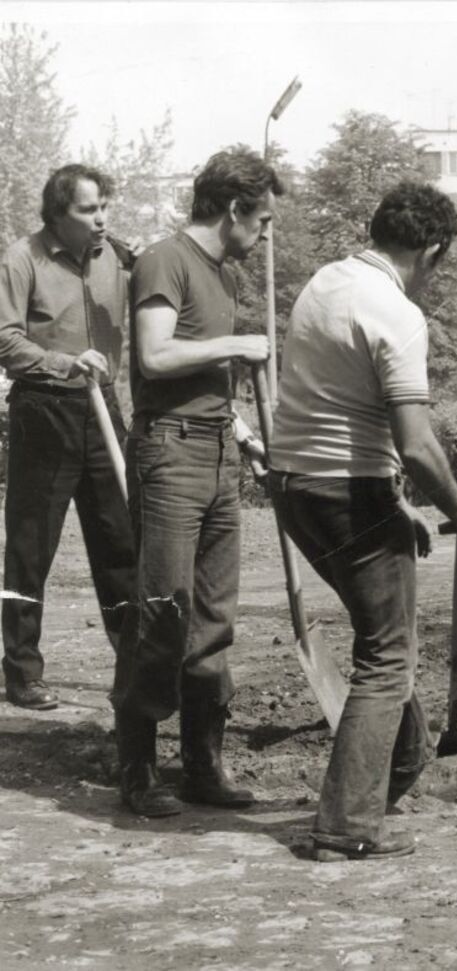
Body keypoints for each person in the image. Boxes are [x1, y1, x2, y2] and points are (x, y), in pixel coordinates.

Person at [267, 180, 457, 862]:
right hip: (347, 493)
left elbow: (333, 408)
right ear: (431, 251)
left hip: (295, 490)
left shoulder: (323, 283)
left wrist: (398, 506)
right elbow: (417, 443)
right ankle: (344, 827)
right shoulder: (397, 314)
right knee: (387, 656)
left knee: (384, 635)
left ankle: (394, 772)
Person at [112, 148, 283, 818]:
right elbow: (155, 357)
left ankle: (203, 768)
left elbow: (205, 383)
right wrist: (236, 346)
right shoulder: (165, 259)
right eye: (261, 220)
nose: (264, 234)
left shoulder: (224, 276)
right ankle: (137, 771)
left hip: (217, 453)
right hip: (168, 455)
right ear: (233, 208)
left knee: (213, 618)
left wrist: (244, 435)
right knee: (162, 609)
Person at [0, 164, 136, 711]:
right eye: (87, 209)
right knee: (31, 549)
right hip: (44, 410)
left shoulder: (121, 259)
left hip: (106, 411)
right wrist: (63, 362)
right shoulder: (21, 258)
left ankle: (133, 666)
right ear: (58, 214)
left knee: (122, 542)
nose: (101, 219)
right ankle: (22, 672)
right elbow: (4, 341)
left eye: (105, 207)